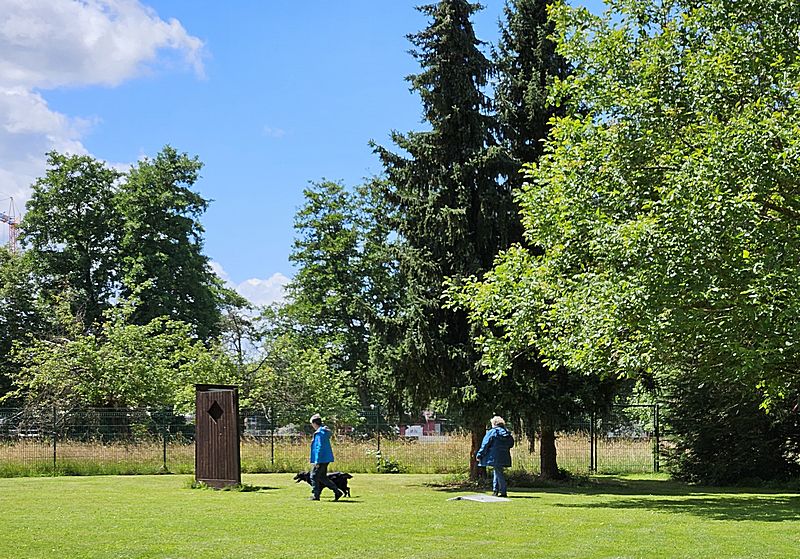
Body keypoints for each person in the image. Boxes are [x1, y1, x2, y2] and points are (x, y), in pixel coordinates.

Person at [476, 415, 515, 497]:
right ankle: (495, 491)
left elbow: (485, 444)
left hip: (494, 456)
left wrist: (479, 454)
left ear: (494, 423)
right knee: (497, 471)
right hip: (504, 455)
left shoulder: (492, 432)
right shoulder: (507, 433)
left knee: (498, 472)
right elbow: (511, 444)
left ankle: (503, 491)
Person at [308, 414, 343, 501]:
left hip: (321, 458)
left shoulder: (320, 433)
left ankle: (316, 495)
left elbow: (319, 447)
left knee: (314, 476)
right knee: (322, 477)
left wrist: (317, 460)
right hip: (326, 457)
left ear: (314, 423)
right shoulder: (324, 431)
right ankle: (337, 492)